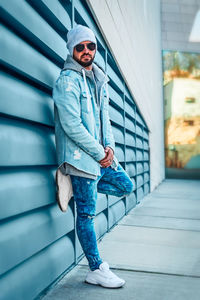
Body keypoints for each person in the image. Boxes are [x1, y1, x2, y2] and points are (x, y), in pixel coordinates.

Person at [53, 25, 134, 288]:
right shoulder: (67, 80)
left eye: (90, 46)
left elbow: (104, 120)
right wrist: (100, 154)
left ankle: (78, 189)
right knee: (86, 216)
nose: (86, 51)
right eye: (80, 47)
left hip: (100, 158)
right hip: (81, 159)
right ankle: (96, 268)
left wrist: (109, 149)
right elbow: (72, 125)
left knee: (126, 185)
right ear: (72, 50)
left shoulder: (98, 78)